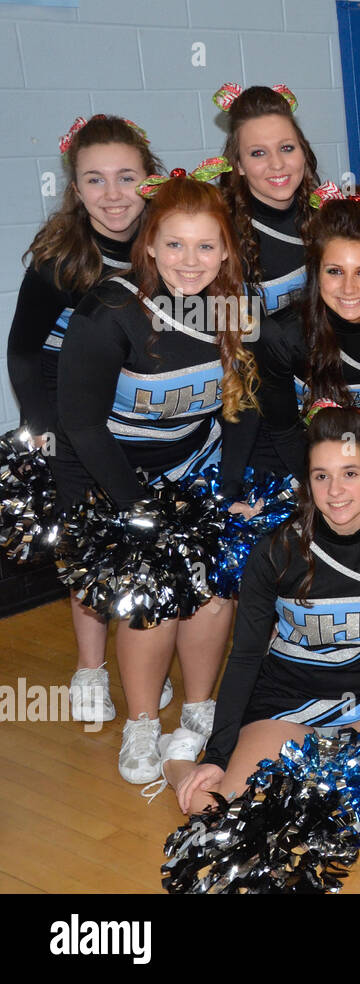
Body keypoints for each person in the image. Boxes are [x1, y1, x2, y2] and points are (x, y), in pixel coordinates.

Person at [162, 406, 360, 828]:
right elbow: (246, 656)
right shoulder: (277, 551)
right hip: (286, 707)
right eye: (322, 476)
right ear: (308, 481)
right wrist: (217, 754)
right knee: (220, 813)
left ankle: (302, 782)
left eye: (350, 473)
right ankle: (175, 762)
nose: (335, 491)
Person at [58, 167, 259, 783]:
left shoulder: (235, 307)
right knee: (151, 592)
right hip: (111, 474)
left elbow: (242, 405)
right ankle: (142, 720)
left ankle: (198, 711)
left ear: (226, 249)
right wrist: (133, 512)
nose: (190, 261)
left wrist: (225, 493)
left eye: (206, 245)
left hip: (192, 468)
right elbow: (81, 424)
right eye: (175, 244)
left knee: (215, 580)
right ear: (148, 244)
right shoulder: (111, 310)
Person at [8, 113, 165, 726]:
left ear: (150, 179)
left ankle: (143, 663)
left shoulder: (169, 242)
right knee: (91, 541)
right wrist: (42, 429)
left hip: (140, 406)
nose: (113, 195)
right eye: (94, 180)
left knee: (147, 533)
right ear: (75, 189)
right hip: (74, 413)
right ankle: (90, 670)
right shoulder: (61, 258)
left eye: (127, 177)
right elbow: (22, 352)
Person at [247, 192, 360, 493]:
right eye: (335, 271)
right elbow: (284, 431)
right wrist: (327, 486)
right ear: (316, 274)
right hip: (294, 461)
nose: (348, 288)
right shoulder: (281, 336)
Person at [215, 82, 318, 316]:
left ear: (303, 152)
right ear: (239, 164)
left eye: (287, 148)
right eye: (258, 153)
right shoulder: (219, 232)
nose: (277, 164)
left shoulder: (327, 217)